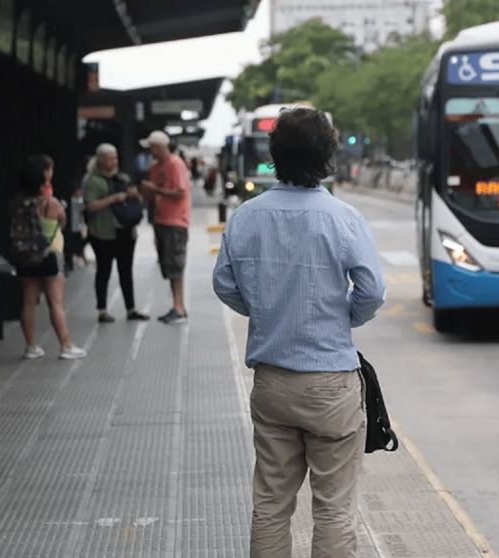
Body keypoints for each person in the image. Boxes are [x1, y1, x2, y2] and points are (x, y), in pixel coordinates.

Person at [213, 108, 386, 557]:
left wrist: (267, 312)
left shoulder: (246, 217)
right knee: (333, 508)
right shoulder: (342, 217)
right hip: (331, 382)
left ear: (275, 155)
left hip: (272, 382)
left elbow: (224, 283)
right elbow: (372, 290)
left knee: (270, 503)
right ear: (328, 156)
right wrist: (341, 318)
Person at [14, 155, 87, 360]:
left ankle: (30, 347)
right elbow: (61, 224)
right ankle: (66, 345)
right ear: (45, 174)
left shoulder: (19, 203)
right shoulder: (51, 203)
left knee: (28, 302)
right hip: (50, 255)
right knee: (55, 302)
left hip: (26, 255)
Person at [83, 144, 149, 323]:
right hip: (103, 233)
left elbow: (138, 201)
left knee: (126, 270)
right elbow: (90, 206)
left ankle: (131, 308)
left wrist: (135, 195)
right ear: (101, 160)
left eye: (115, 158)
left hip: (126, 232)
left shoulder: (123, 178)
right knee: (103, 270)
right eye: (110, 158)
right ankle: (102, 309)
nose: (114, 162)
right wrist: (113, 198)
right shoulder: (93, 181)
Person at [140, 131, 191, 324]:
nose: (149, 151)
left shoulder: (175, 164)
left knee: (176, 264)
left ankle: (179, 307)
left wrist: (154, 190)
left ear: (160, 147)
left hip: (175, 220)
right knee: (168, 265)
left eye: (151, 147)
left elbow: (180, 192)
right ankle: (178, 306)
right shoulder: (155, 167)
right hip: (161, 219)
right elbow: (152, 195)